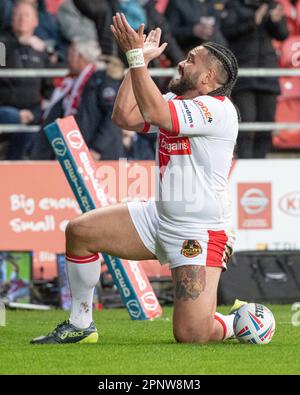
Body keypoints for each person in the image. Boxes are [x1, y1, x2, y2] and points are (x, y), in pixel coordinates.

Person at [31, 13, 240, 345]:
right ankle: (81, 323)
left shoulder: (217, 109)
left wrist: (134, 58)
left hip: (197, 232)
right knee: (80, 232)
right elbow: (124, 116)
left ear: (209, 77)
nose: (181, 64)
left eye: (191, 61)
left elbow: (156, 114)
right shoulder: (174, 100)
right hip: (159, 217)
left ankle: (240, 322)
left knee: (192, 335)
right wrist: (137, 62)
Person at [30, 39, 125, 160]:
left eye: (70, 54)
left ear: (80, 56)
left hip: (100, 155)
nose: (68, 59)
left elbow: (113, 117)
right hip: (80, 150)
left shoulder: (102, 79)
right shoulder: (73, 82)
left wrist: (97, 148)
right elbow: (57, 110)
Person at [222, 0, 289, 158]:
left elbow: (283, 34)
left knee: (266, 124)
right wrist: (253, 21)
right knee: (246, 124)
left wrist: (275, 22)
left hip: (267, 73)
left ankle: (260, 163)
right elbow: (227, 31)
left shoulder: (272, 5)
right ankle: (244, 165)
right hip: (245, 73)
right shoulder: (234, 5)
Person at [0, 0, 53, 160]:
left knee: (48, 118)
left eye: (27, 15)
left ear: (36, 21)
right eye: (18, 15)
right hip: (5, 107)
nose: (22, 19)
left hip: (32, 110)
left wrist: (48, 51)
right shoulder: (3, 43)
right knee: (15, 118)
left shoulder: (40, 48)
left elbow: (48, 86)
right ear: (11, 18)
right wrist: (18, 43)